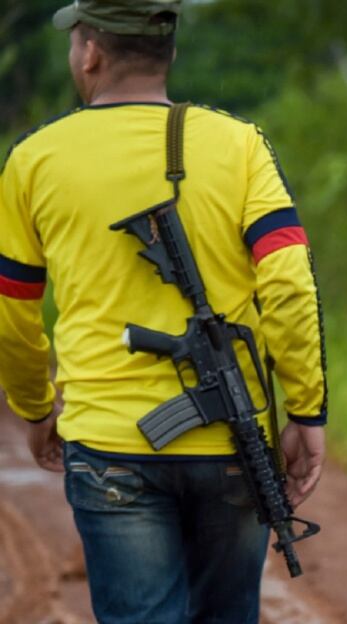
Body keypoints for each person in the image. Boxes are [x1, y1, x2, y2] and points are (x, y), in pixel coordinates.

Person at [0, 2, 328, 622]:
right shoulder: (241, 144)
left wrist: (34, 406)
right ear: (169, 52)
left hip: (109, 446)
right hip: (233, 443)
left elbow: (13, 310)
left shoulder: (33, 158)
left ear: (90, 53)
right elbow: (289, 283)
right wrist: (307, 408)